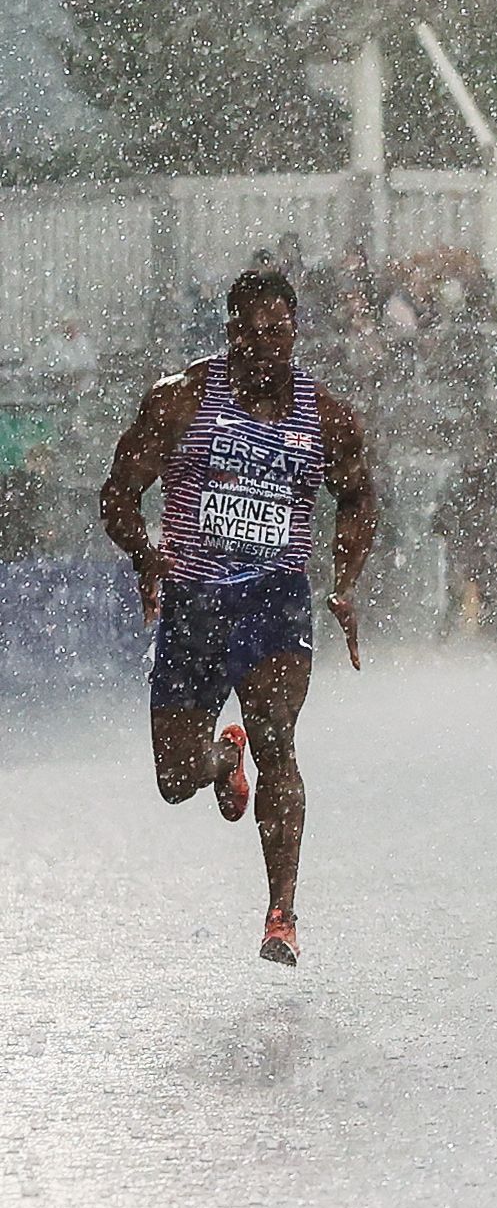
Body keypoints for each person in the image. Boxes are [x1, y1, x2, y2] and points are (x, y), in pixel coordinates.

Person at [95, 269, 375, 966]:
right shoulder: (181, 400)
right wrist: (143, 553)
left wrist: (344, 582)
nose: (261, 346)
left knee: (278, 735)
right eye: (247, 333)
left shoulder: (326, 418)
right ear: (228, 334)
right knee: (173, 781)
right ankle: (223, 760)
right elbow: (118, 492)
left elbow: (360, 497)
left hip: (274, 599)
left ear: (294, 333)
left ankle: (281, 912)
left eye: (275, 332)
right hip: (194, 603)